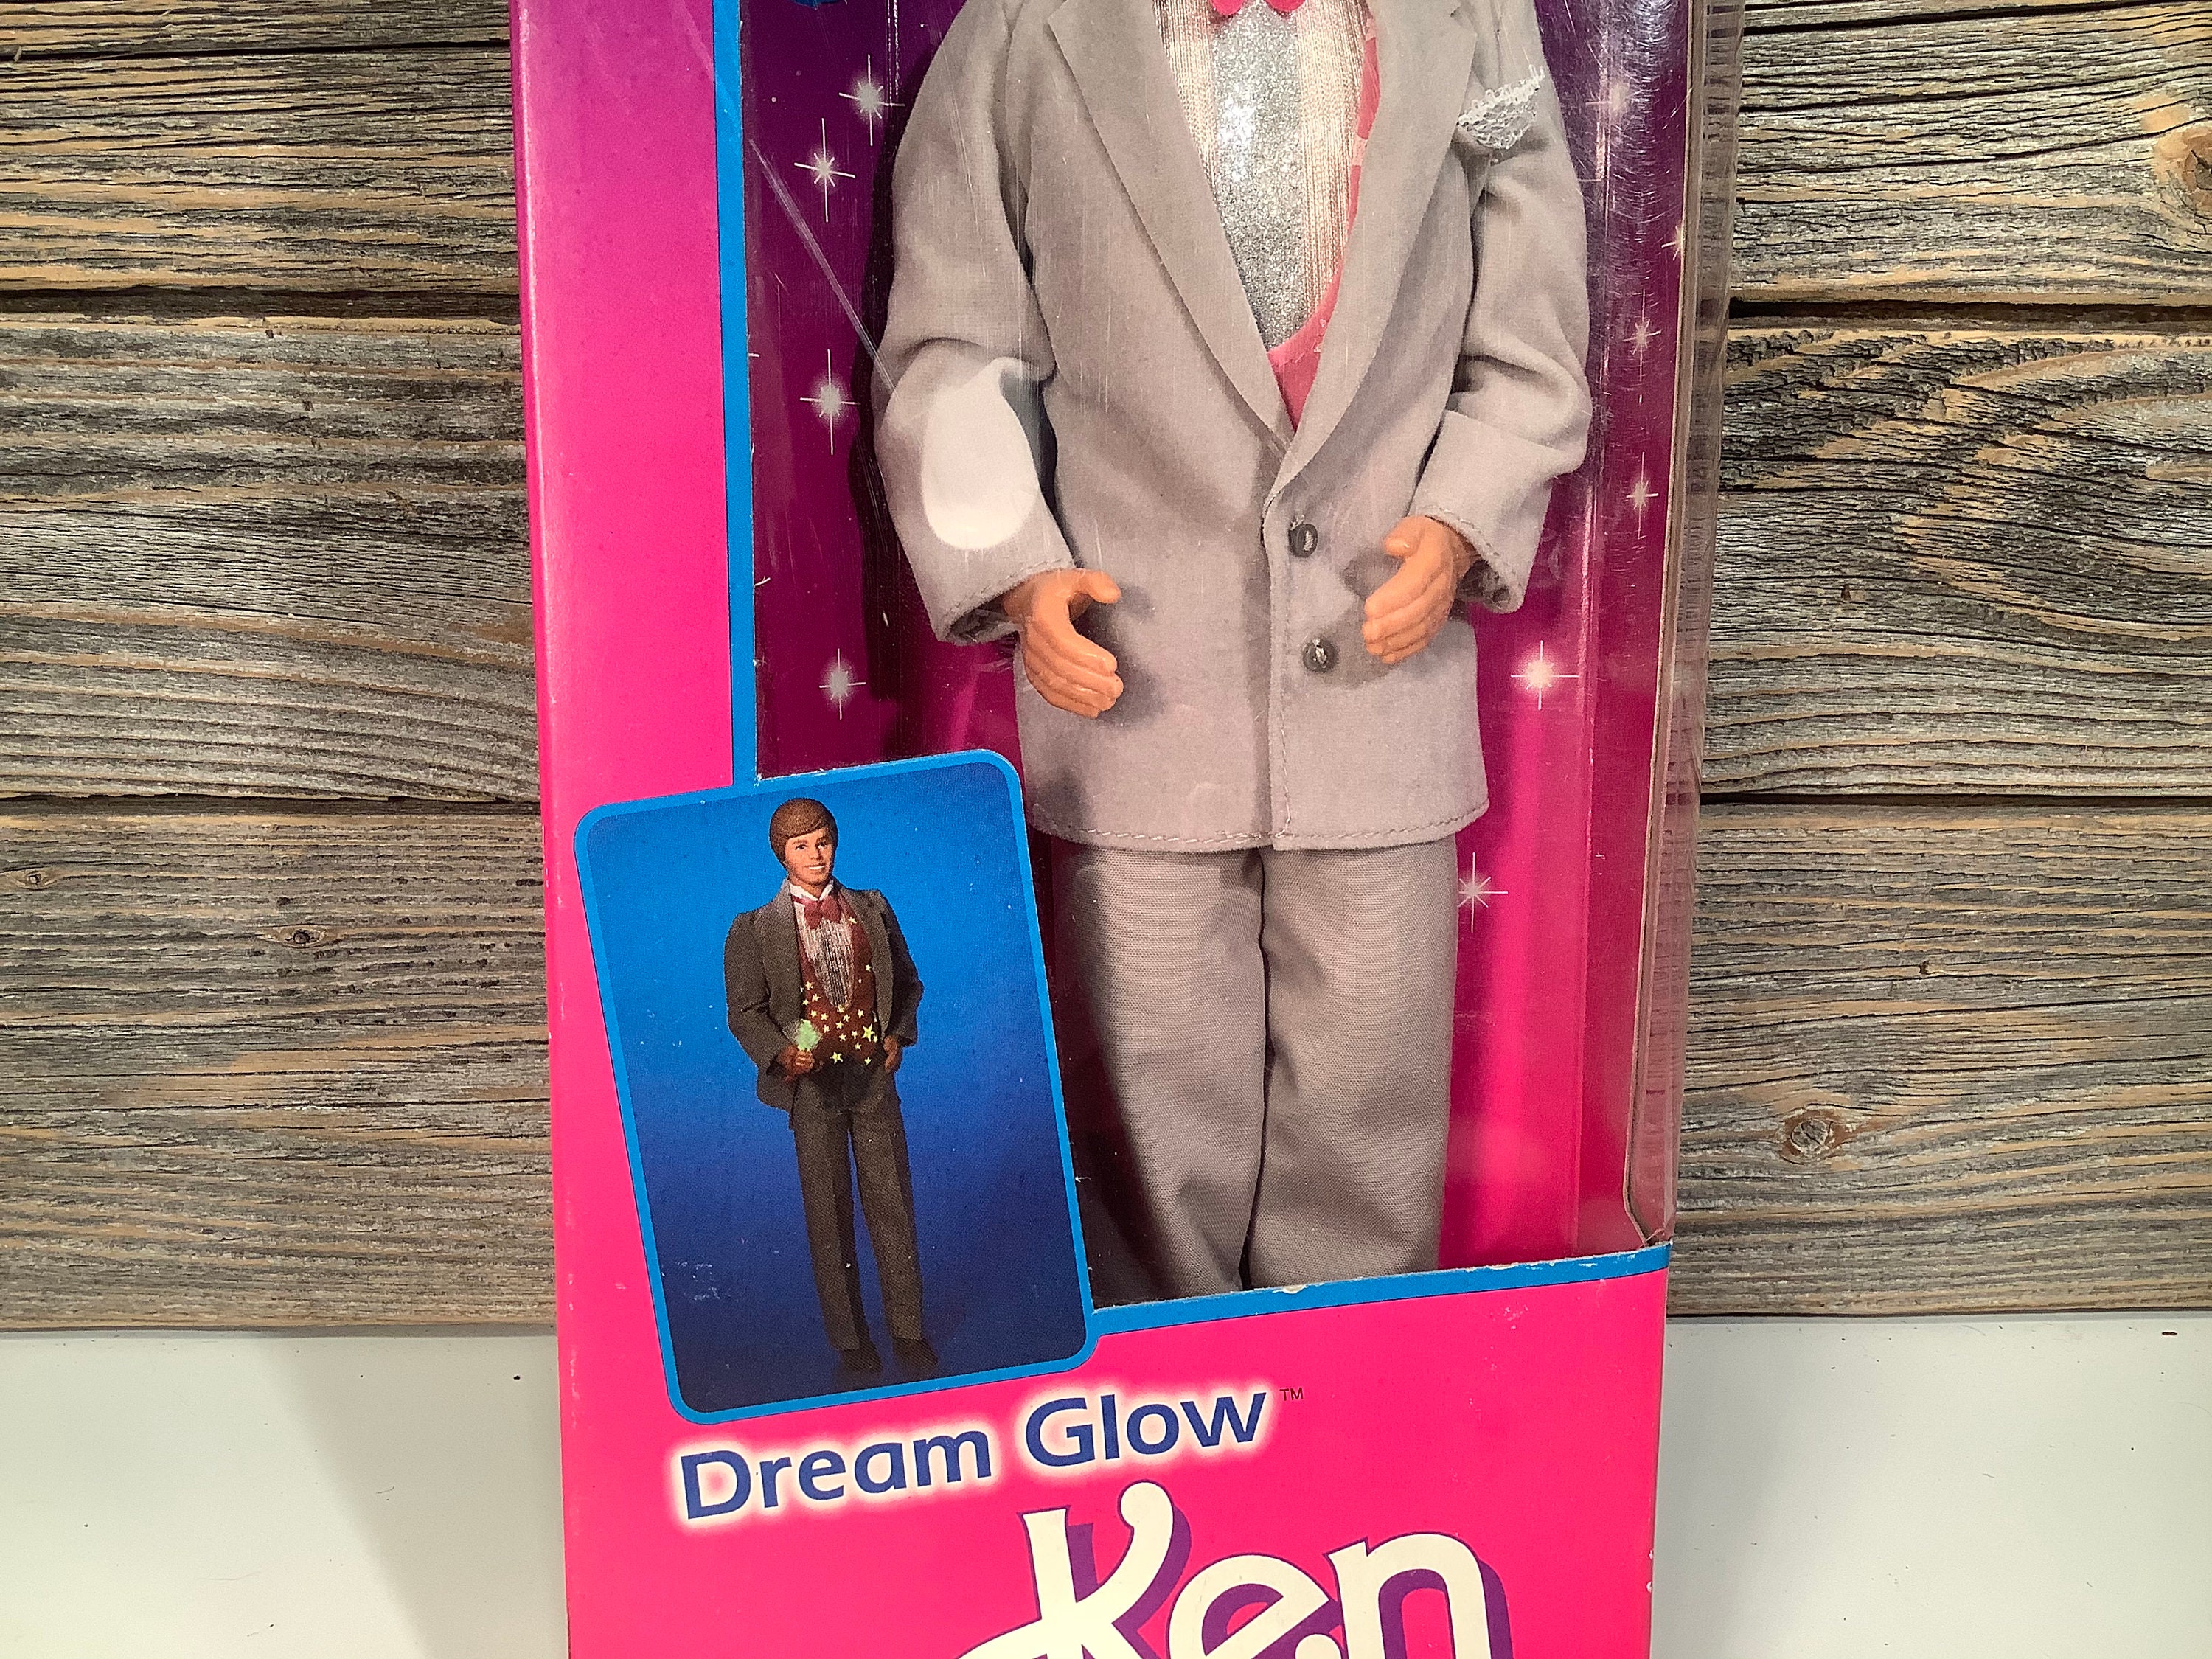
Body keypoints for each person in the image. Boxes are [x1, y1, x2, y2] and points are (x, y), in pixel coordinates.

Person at [874, 0, 1591, 1297]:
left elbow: (1530, 341)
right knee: (1151, 1108)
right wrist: (1018, 569)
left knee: (1372, 1104)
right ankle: (1171, 1378)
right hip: (1135, 689)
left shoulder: (1472, 26)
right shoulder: (1027, 36)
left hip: (1381, 676)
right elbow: (955, 346)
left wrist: (1460, 518)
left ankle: (1354, 1371)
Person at [723, 798, 933, 1374]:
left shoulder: (872, 906)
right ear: (782, 855)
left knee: (892, 1203)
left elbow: (908, 982)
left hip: (872, 1079)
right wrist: (780, 1052)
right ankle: (850, 1340)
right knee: (828, 1212)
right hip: (812, 1087)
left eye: (823, 842)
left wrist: (897, 1033)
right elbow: (745, 1012)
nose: (815, 856)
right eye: (802, 846)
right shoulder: (753, 928)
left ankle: (909, 1331)